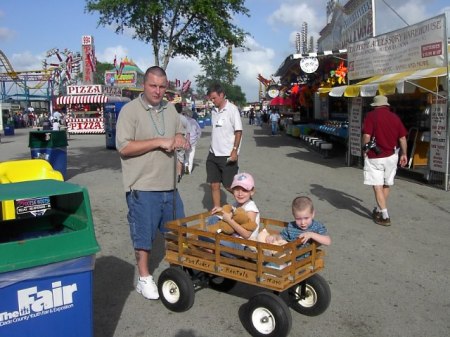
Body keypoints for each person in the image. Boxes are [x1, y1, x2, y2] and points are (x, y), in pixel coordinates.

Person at [116, 66, 188, 300]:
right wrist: (158, 141)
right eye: (153, 86)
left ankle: (175, 270)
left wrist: (179, 140)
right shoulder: (129, 111)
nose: (157, 91)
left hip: (170, 186)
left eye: (162, 86)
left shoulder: (170, 110)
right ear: (143, 85)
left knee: (177, 232)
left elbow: (181, 134)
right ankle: (144, 277)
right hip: (143, 186)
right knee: (143, 237)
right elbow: (124, 148)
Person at [362, 95, 408, 226]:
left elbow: (366, 135)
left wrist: (364, 149)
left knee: (377, 186)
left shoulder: (371, 116)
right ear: (386, 105)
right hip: (392, 156)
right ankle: (378, 210)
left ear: (375, 105)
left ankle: (385, 216)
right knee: (386, 184)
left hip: (375, 157)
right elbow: (402, 138)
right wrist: (404, 154)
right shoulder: (395, 117)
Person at [206, 83, 243, 208]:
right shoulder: (214, 111)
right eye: (211, 99)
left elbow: (238, 132)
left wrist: (234, 150)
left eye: (214, 98)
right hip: (213, 154)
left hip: (227, 155)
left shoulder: (232, 109)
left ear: (221, 95)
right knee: (214, 185)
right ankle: (217, 209)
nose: (212, 101)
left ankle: (247, 203)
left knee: (229, 185)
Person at [204, 172, 260, 254]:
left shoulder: (251, 209)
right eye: (237, 189)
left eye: (244, 190)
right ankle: (213, 247)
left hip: (243, 245)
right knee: (213, 219)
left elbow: (247, 234)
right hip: (232, 240)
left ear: (252, 192)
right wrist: (222, 210)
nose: (240, 194)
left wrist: (229, 220)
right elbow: (231, 214)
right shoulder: (236, 204)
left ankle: (214, 248)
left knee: (205, 237)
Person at [265, 196, 331, 250]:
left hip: (304, 258)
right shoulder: (291, 227)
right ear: (294, 215)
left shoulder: (316, 226)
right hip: (289, 256)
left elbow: (328, 241)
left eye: (306, 218)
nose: (303, 222)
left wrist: (311, 234)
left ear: (312, 214)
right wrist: (273, 237)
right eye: (298, 219)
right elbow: (281, 237)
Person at [183, 107, 202, 174]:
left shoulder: (182, 120)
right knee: (191, 156)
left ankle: (185, 167)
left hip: (184, 140)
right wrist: (197, 137)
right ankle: (189, 170)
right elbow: (199, 130)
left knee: (186, 155)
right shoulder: (194, 121)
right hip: (193, 141)